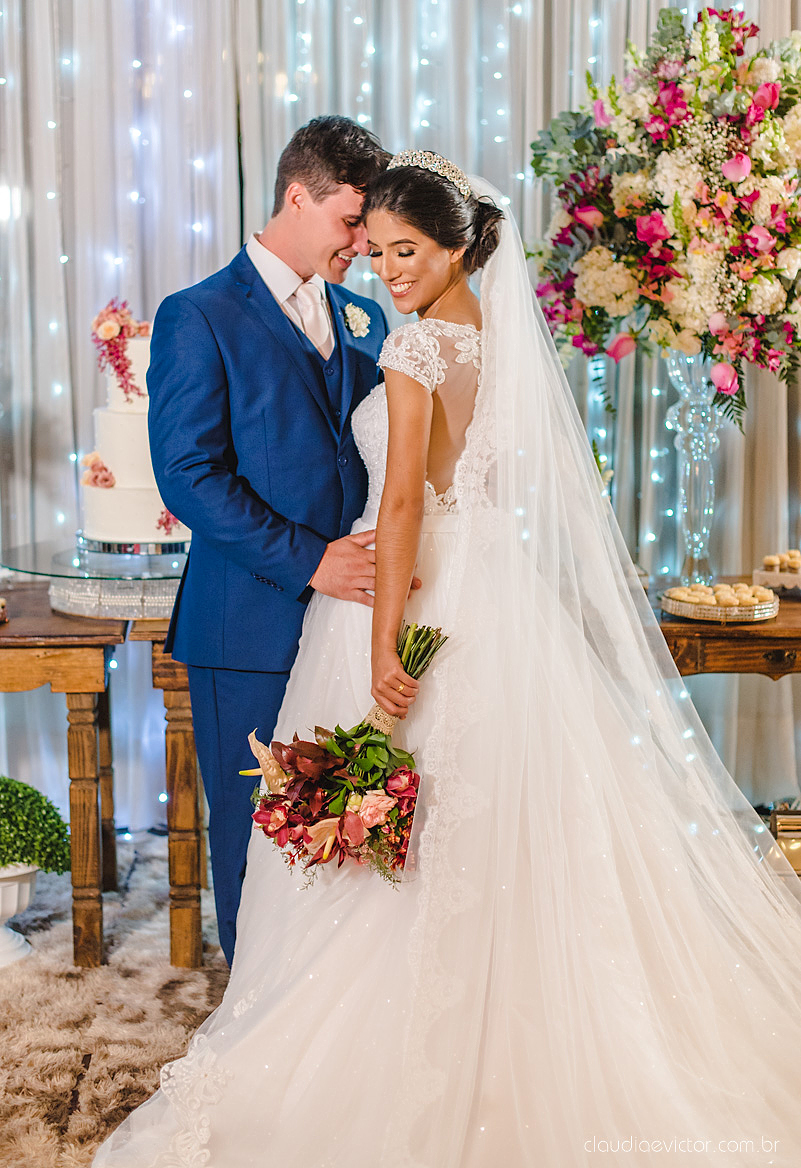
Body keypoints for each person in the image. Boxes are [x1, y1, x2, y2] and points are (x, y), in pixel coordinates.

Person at [96, 155, 801, 1167]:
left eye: (403, 250)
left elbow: (400, 507)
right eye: (374, 249)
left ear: (459, 243)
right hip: (495, 593)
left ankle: (361, 1059)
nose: (383, 269)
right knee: (492, 829)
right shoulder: (500, 341)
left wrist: (384, 643)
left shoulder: (415, 343)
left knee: (409, 832)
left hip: (407, 592)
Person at [147, 116, 391, 964]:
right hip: (244, 628)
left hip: (353, 623)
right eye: (351, 221)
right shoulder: (197, 315)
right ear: (299, 195)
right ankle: (248, 1014)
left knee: (347, 827)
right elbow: (188, 474)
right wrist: (311, 558)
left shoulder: (362, 315)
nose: (365, 242)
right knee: (256, 833)